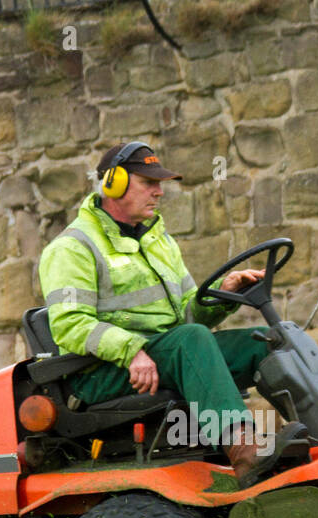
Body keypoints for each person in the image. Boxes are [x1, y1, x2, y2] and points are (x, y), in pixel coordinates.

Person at [37, 141, 298, 487]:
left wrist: (225, 294)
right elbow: (70, 326)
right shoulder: (73, 248)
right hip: (102, 370)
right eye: (149, 183)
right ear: (113, 183)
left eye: (159, 184)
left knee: (268, 343)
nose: (159, 192)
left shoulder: (160, 241)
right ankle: (247, 453)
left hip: (165, 353)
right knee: (191, 342)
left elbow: (187, 315)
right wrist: (131, 350)